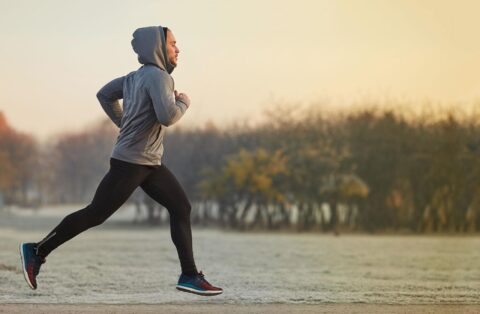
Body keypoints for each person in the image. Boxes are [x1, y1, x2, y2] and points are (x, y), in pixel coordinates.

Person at [19, 25, 223, 296]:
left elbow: (104, 94)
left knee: (181, 207)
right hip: (132, 163)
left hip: (149, 163)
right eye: (173, 43)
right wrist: (184, 102)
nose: (178, 48)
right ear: (158, 47)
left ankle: (189, 275)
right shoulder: (160, 78)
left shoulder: (134, 77)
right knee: (96, 213)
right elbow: (167, 116)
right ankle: (36, 251)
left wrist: (123, 122)